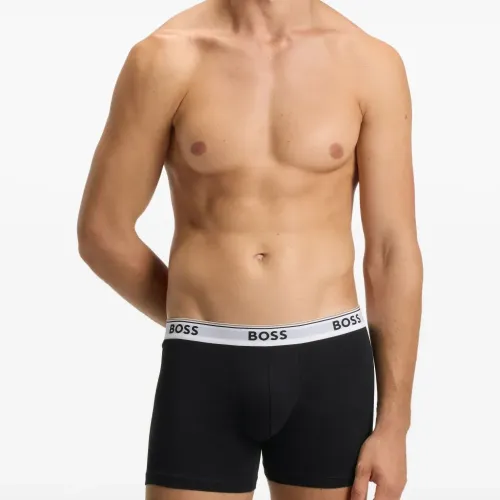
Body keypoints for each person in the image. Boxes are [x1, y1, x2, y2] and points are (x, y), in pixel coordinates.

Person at [77, 0, 423, 499]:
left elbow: (392, 251)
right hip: (204, 364)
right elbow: (102, 232)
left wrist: (395, 425)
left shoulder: (369, 63)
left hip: (328, 365)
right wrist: (194, 319)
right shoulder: (165, 57)